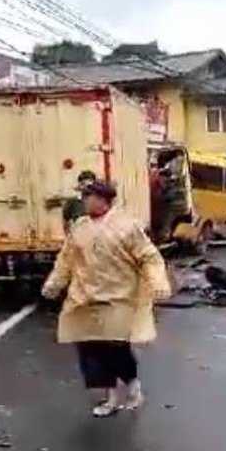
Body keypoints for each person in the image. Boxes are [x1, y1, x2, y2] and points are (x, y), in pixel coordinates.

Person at [42, 180, 171, 418]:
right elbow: (66, 261)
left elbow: (149, 257)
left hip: (118, 298)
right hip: (84, 298)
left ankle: (133, 388)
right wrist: (54, 283)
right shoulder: (79, 228)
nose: (84, 200)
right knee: (91, 349)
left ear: (103, 199)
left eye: (88, 196)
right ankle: (110, 398)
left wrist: (159, 283)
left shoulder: (127, 227)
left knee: (115, 347)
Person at [62, 170, 96, 234]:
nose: (86, 188)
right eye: (83, 184)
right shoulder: (72, 203)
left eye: (90, 185)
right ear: (80, 185)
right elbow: (65, 223)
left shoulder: (99, 202)